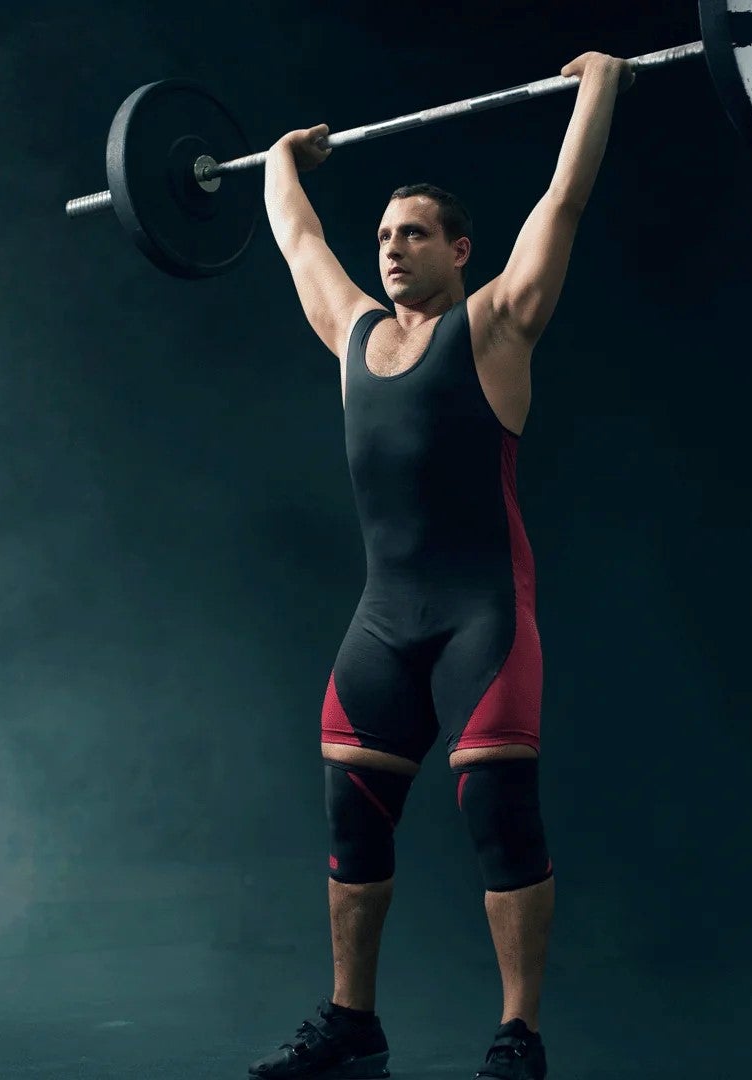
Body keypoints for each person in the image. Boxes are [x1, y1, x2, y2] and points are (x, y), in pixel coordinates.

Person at [245, 51, 633, 1080]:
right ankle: (351, 1024)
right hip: (383, 620)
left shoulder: (497, 327)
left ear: (461, 249)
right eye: (382, 235)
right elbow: (297, 239)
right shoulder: (351, 334)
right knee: (349, 818)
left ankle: (519, 1037)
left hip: (482, 619)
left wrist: (599, 85)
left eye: (413, 233)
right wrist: (280, 159)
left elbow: (565, 198)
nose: (391, 248)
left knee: (500, 820)